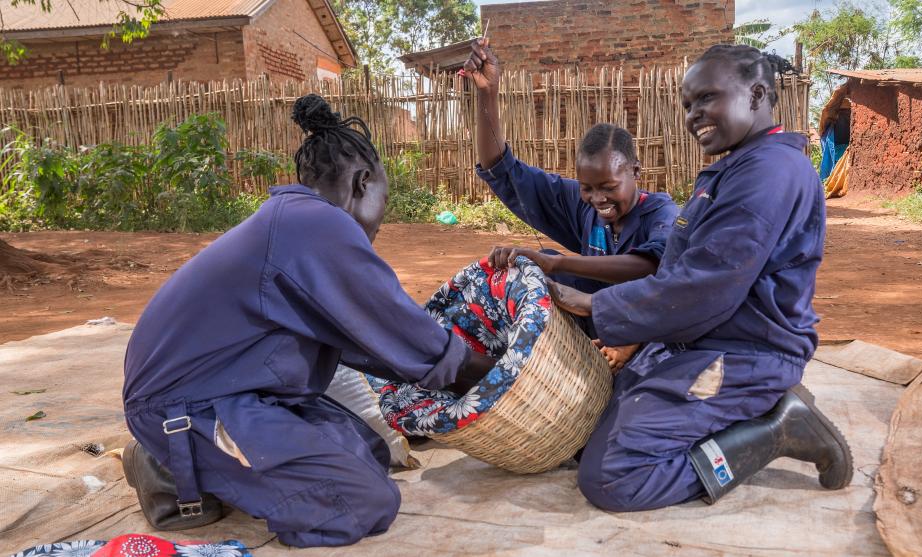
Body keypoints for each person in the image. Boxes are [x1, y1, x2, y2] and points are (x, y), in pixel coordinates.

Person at [120, 94, 494, 547]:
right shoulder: (317, 226)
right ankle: (171, 465)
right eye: (385, 199)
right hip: (184, 407)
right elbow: (406, 334)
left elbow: (370, 342)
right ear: (362, 182)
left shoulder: (297, 220)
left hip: (236, 392)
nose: (381, 219)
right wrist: (498, 375)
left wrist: (454, 374)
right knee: (359, 502)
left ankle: (192, 465)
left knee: (371, 455)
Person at [545, 44, 853, 510]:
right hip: (702, 342)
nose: (694, 115)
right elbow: (683, 272)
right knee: (585, 433)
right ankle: (745, 417)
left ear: (756, 94)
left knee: (611, 474)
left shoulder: (769, 172)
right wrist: (637, 337)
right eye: (688, 104)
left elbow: (706, 286)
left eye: (707, 98)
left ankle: (775, 431)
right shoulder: (736, 168)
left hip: (745, 354)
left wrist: (592, 304)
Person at [462, 38, 680, 370]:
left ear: (636, 171)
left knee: (551, 263)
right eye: (587, 188)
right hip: (590, 328)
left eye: (608, 187)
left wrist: (560, 265)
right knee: (532, 267)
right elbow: (502, 169)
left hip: (647, 331)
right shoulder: (584, 206)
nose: (597, 199)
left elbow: (649, 264)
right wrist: (487, 93)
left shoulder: (661, 213)